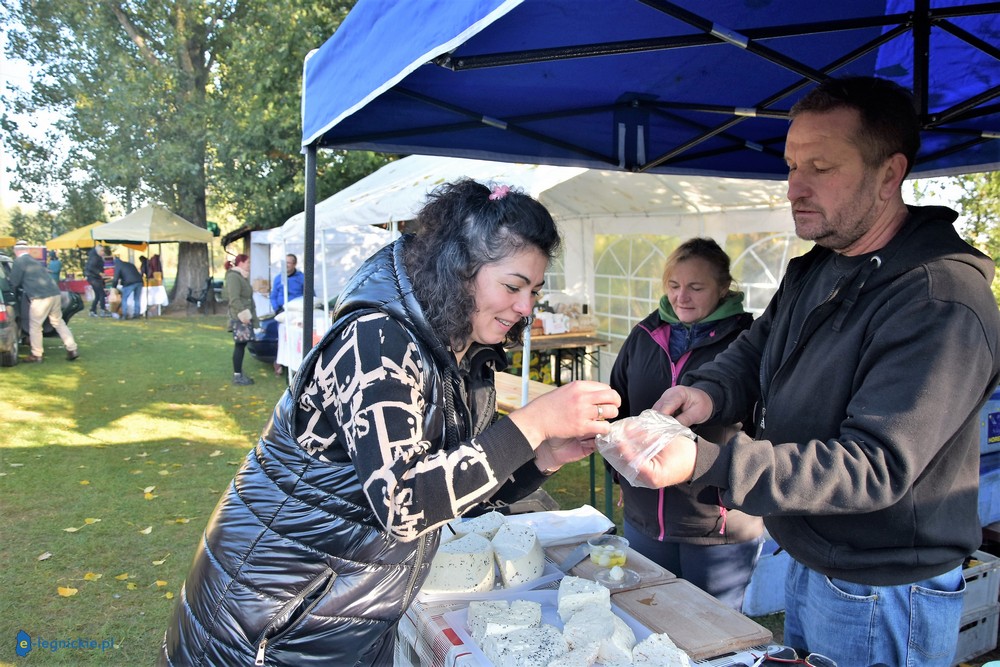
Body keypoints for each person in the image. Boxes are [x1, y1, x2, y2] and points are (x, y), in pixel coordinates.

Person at [606, 76, 1000, 665]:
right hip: (809, 549)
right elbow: (756, 351)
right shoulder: (817, 266)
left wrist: (711, 462)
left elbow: (876, 466)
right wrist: (707, 394)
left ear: (889, 173)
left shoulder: (938, 296)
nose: (795, 187)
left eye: (820, 167)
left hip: (883, 585)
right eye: (791, 166)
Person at [159, 179, 622, 666]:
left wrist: (539, 457)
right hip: (269, 624)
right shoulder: (376, 343)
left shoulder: (458, 349)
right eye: (512, 286)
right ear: (458, 271)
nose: (526, 307)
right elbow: (404, 504)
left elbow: (453, 493)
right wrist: (532, 423)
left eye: (533, 290)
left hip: (343, 614)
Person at [608, 237, 762, 611]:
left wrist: (736, 494)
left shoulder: (750, 341)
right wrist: (621, 477)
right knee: (648, 625)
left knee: (713, 634)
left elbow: (765, 430)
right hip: (644, 518)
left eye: (696, 287)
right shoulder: (644, 336)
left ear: (723, 288)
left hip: (716, 526)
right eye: (674, 286)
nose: (682, 297)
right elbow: (619, 409)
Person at [10, 241, 79, 362]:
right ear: (27, 251)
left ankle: (37, 355)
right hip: (55, 293)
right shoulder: (34, 261)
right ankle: (72, 349)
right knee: (58, 322)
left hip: (40, 297)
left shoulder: (19, 261)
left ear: (16, 251)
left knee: (35, 326)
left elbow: (13, 282)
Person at [223, 253, 258, 386]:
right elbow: (234, 299)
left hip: (244, 317)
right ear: (241, 263)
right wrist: (245, 316)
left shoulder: (241, 276)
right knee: (239, 346)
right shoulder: (233, 277)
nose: (249, 265)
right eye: (248, 262)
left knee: (241, 346)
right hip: (240, 318)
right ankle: (237, 376)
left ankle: (239, 373)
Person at [84, 243, 108, 317]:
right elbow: (91, 267)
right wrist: (99, 273)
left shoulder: (96, 257)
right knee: (101, 293)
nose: (103, 252)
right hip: (94, 278)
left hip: (94, 277)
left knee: (98, 295)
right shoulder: (95, 258)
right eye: (102, 251)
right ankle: (102, 310)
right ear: (97, 251)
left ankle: (92, 310)